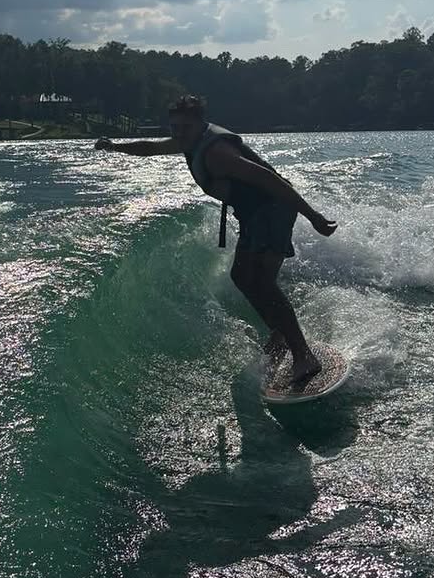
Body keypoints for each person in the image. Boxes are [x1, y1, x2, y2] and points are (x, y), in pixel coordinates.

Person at [95, 94, 337, 384]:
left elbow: (270, 180)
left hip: (272, 209)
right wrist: (115, 147)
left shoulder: (217, 153)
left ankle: (302, 355)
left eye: (185, 127)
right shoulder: (189, 140)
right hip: (256, 212)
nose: (179, 133)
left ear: (200, 124)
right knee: (248, 279)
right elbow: (151, 147)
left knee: (258, 280)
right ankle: (280, 336)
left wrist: (313, 216)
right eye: (174, 127)